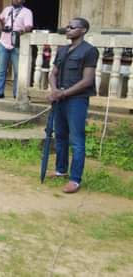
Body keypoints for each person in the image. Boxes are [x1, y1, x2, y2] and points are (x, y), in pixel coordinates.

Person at [47, 18, 98, 194]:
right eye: (67, 27)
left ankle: (75, 180)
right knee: (60, 135)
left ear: (83, 30)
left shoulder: (89, 51)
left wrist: (64, 93)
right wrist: (54, 91)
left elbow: (87, 80)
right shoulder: (62, 50)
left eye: (72, 27)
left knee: (76, 140)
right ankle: (61, 170)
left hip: (77, 100)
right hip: (60, 98)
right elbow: (53, 74)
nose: (67, 29)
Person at [0, 0, 33, 99]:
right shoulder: (7, 9)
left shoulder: (27, 12)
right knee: (1, 70)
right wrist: (1, 27)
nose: (16, 0)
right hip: (3, 43)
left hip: (17, 44)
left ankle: (17, 94)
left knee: (17, 72)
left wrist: (21, 30)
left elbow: (29, 26)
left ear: (23, 1)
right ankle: (0, 92)